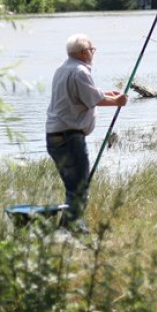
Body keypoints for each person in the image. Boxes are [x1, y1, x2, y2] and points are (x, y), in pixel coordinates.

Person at [46, 33, 128, 233]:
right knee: (80, 187)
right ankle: (75, 229)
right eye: (92, 50)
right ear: (84, 53)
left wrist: (106, 93)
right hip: (70, 137)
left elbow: (84, 94)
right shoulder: (81, 71)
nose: (93, 53)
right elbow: (92, 99)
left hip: (54, 136)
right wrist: (117, 102)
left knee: (73, 186)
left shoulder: (62, 69)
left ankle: (66, 226)